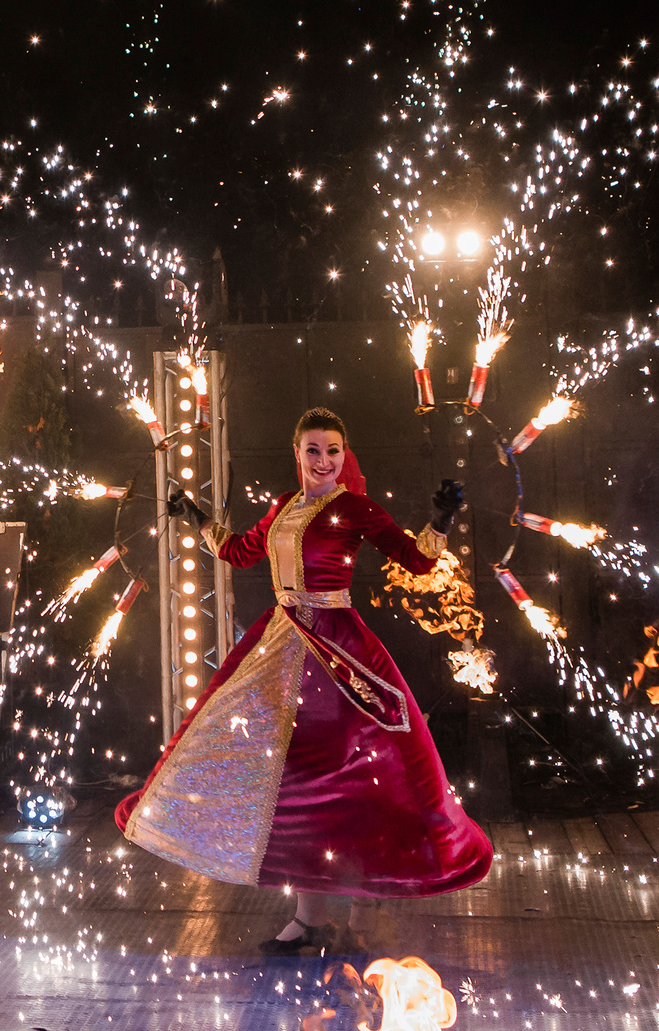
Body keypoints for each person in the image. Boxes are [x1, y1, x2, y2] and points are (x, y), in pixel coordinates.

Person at [116, 406, 493, 956]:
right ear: (297, 454)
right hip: (280, 645)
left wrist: (439, 522)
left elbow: (415, 561)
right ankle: (309, 918)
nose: (323, 460)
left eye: (333, 451)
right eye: (313, 450)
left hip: (336, 651)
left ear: (344, 454)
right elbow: (238, 551)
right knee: (292, 781)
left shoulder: (355, 507)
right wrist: (196, 517)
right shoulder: (284, 507)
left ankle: (363, 910)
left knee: (350, 779)